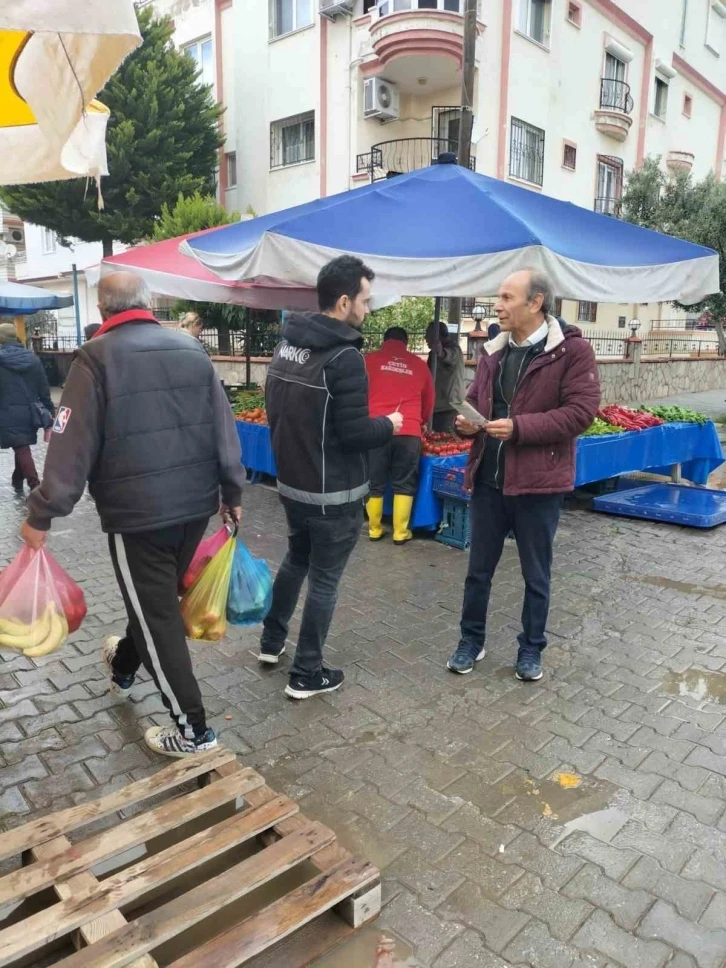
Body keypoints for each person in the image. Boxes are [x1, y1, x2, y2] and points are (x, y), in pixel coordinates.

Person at [21, 272, 245, 759]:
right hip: (195, 508)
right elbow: (224, 427)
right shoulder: (191, 351)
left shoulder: (95, 359)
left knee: (157, 614)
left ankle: (194, 732)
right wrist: (232, 490)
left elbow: (69, 444)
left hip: (138, 516)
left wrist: (42, 514)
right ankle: (124, 666)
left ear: (104, 310)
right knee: (153, 601)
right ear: (148, 304)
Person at [260, 255, 403, 699]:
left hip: (292, 486)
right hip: (332, 495)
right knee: (324, 579)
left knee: (296, 561)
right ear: (343, 302)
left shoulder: (287, 346)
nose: (367, 309)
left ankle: (270, 641)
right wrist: (392, 424)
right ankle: (306, 673)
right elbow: (357, 433)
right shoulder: (344, 357)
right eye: (364, 300)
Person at [448, 268, 599, 682]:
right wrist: (465, 423)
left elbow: (580, 413)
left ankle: (531, 649)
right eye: (498, 297)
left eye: (507, 298)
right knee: (478, 570)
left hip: (538, 485)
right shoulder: (493, 351)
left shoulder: (572, 352)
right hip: (488, 481)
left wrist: (520, 428)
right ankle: (470, 641)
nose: (497, 306)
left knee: (536, 573)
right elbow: (476, 400)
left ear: (536, 302)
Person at [364, 326, 434, 544]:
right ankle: (400, 532)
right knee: (404, 482)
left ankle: (374, 529)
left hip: (375, 429)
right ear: (406, 342)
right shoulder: (419, 365)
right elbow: (429, 401)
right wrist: (420, 422)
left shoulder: (368, 361)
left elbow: (358, 393)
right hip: (408, 431)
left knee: (374, 481)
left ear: (384, 340)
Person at [0, 322, 54, 492]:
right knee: (21, 444)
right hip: (30, 412)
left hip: (7, 411)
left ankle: (35, 485)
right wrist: (49, 412)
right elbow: (43, 388)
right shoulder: (33, 359)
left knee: (21, 447)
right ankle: (17, 478)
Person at [426, 321, 466, 432]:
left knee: (446, 439)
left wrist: (440, 352)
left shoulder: (454, 348)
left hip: (449, 406)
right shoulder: (431, 354)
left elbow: (448, 355)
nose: (425, 338)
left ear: (437, 336)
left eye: (428, 334)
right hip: (436, 405)